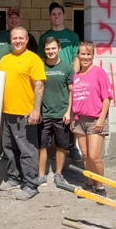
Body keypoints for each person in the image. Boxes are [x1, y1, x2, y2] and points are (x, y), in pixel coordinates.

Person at [0, 26, 46, 201]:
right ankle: (14, 178)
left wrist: (36, 110)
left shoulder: (33, 59)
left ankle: (31, 184)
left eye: (21, 38)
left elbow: (39, 85)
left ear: (26, 40)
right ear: (10, 40)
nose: (17, 41)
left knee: (27, 150)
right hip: (7, 113)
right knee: (9, 148)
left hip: (25, 114)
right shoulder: (4, 60)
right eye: (14, 38)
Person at [37, 2, 81, 162]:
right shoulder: (45, 37)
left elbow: (76, 58)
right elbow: (41, 59)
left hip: (68, 79)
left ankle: (72, 146)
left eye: (59, 14)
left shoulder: (73, 36)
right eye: (53, 14)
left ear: (63, 16)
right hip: (51, 80)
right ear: (50, 17)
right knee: (52, 116)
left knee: (70, 115)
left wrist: (74, 77)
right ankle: (51, 147)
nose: (56, 17)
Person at [71, 41, 113, 196]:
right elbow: (73, 97)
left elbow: (107, 98)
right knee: (85, 154)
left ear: (93, 55)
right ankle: (90, 182)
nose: (85, 57)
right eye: (83, 54)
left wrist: (102, 119)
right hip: (79, 119)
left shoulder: (99, 73)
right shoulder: (76, 75)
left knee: (94, 156)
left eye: (88, 54)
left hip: (95, 119)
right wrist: (72, 117)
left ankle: (100, 185)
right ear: (78, 55)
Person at [37, 37, 74, 187]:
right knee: (42, 145)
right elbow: (36, 90)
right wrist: (37, 110)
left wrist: (68, 111)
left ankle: (58, 174)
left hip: (61, 114)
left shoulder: (67, 67)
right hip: (44, 114)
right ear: (44, 50)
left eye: (53, 48)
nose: (51, 52)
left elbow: (72, 91)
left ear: (59, 49)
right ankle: (41, 175)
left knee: (61, 146)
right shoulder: (40, 67)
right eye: (47, 49)